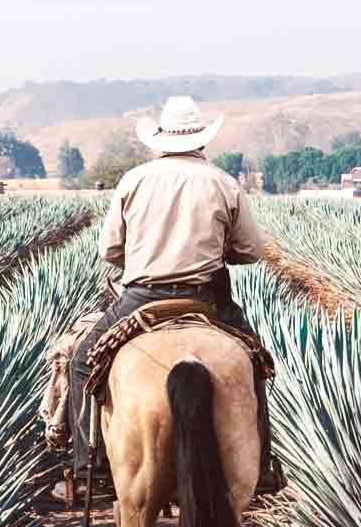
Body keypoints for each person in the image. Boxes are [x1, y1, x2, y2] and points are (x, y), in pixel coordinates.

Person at [56, 96, 283, 501]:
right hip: (207, 298)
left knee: (80, 363)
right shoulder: (223, 182)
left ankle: (89, 468)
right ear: (201, 141)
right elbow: (250, 251)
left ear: (161, 139)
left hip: (142, 297)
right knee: (255, 364)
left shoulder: (134, 181)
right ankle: (262, 466)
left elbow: (109, 251)